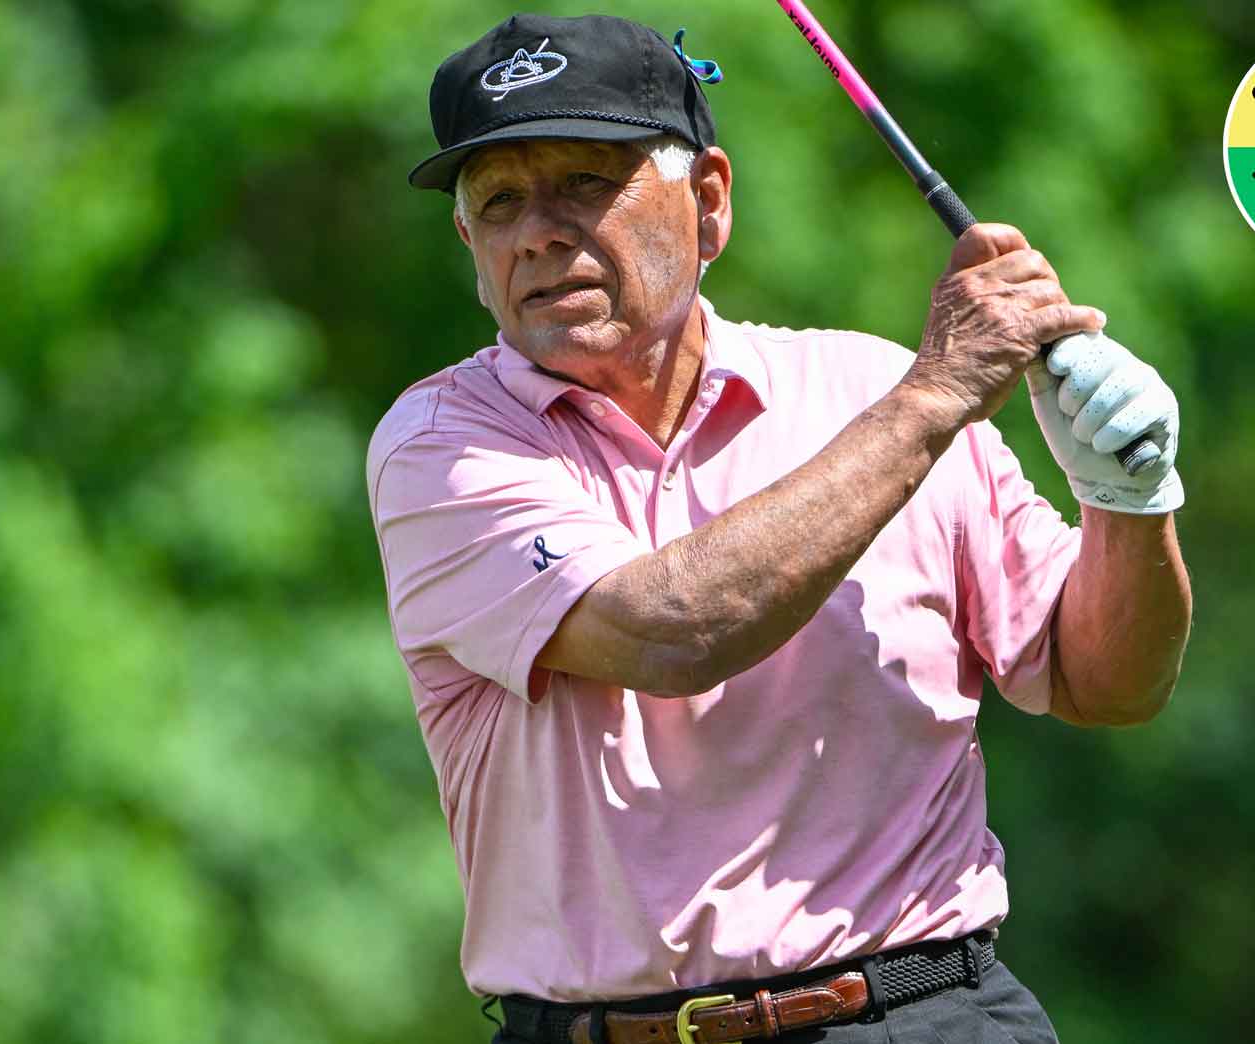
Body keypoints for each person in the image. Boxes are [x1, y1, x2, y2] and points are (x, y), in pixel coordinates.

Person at [367, 13, 1192, 1044]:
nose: (537, 231)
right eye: (498, 201)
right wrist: (938, 394)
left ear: (708, 202)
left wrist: (1125, 499)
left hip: (921, 1015)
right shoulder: (441, 446)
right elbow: (673, 631)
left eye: (584, 181)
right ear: (469, 242)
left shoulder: (871, 391)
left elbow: (1106, 680)